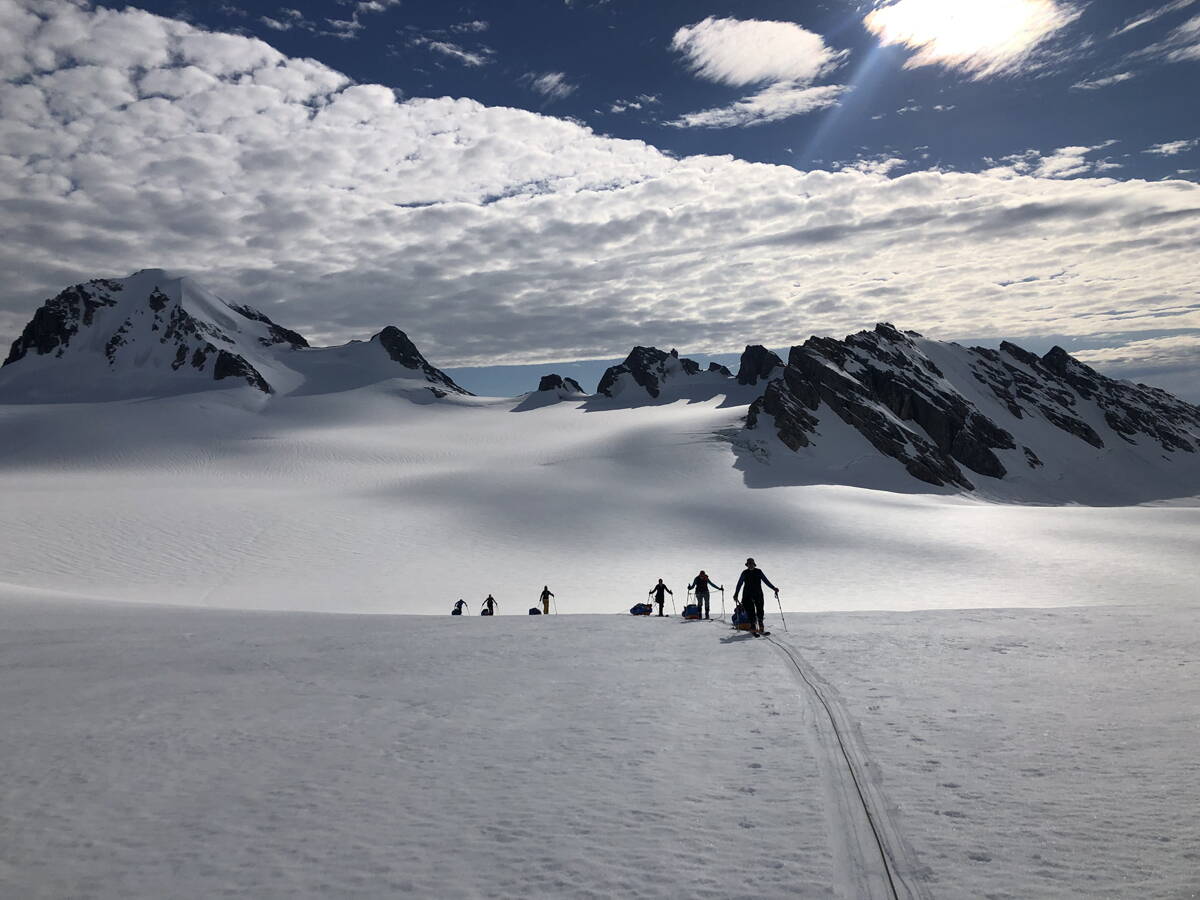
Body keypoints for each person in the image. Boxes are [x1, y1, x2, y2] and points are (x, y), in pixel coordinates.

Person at [733, 558, 778, 636]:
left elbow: (766, 581)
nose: (750, 565)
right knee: (751, 612)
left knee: (760, 610)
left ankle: (761, 627)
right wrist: (736, 594)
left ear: (754, 564)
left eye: (752, 564)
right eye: (749, 564)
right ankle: (753, 627)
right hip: (747, 595)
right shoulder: (744, 573)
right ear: (747, 565)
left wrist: (774, 588)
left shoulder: (759, 571)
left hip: (758, 594)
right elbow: (739, 583)